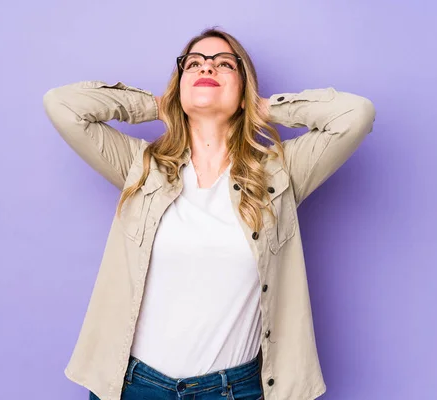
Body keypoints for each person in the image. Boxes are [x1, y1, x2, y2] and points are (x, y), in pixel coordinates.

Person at [43, 28, 375, 400]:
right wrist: (160, 103)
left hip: (233, 390)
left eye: (224, 64)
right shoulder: (141, 167)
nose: (208, 68)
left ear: (244, 85)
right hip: (134, 387)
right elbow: (63, 104)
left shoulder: (280, 174)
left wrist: (262, 106)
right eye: (195, 63)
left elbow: (355, 115)